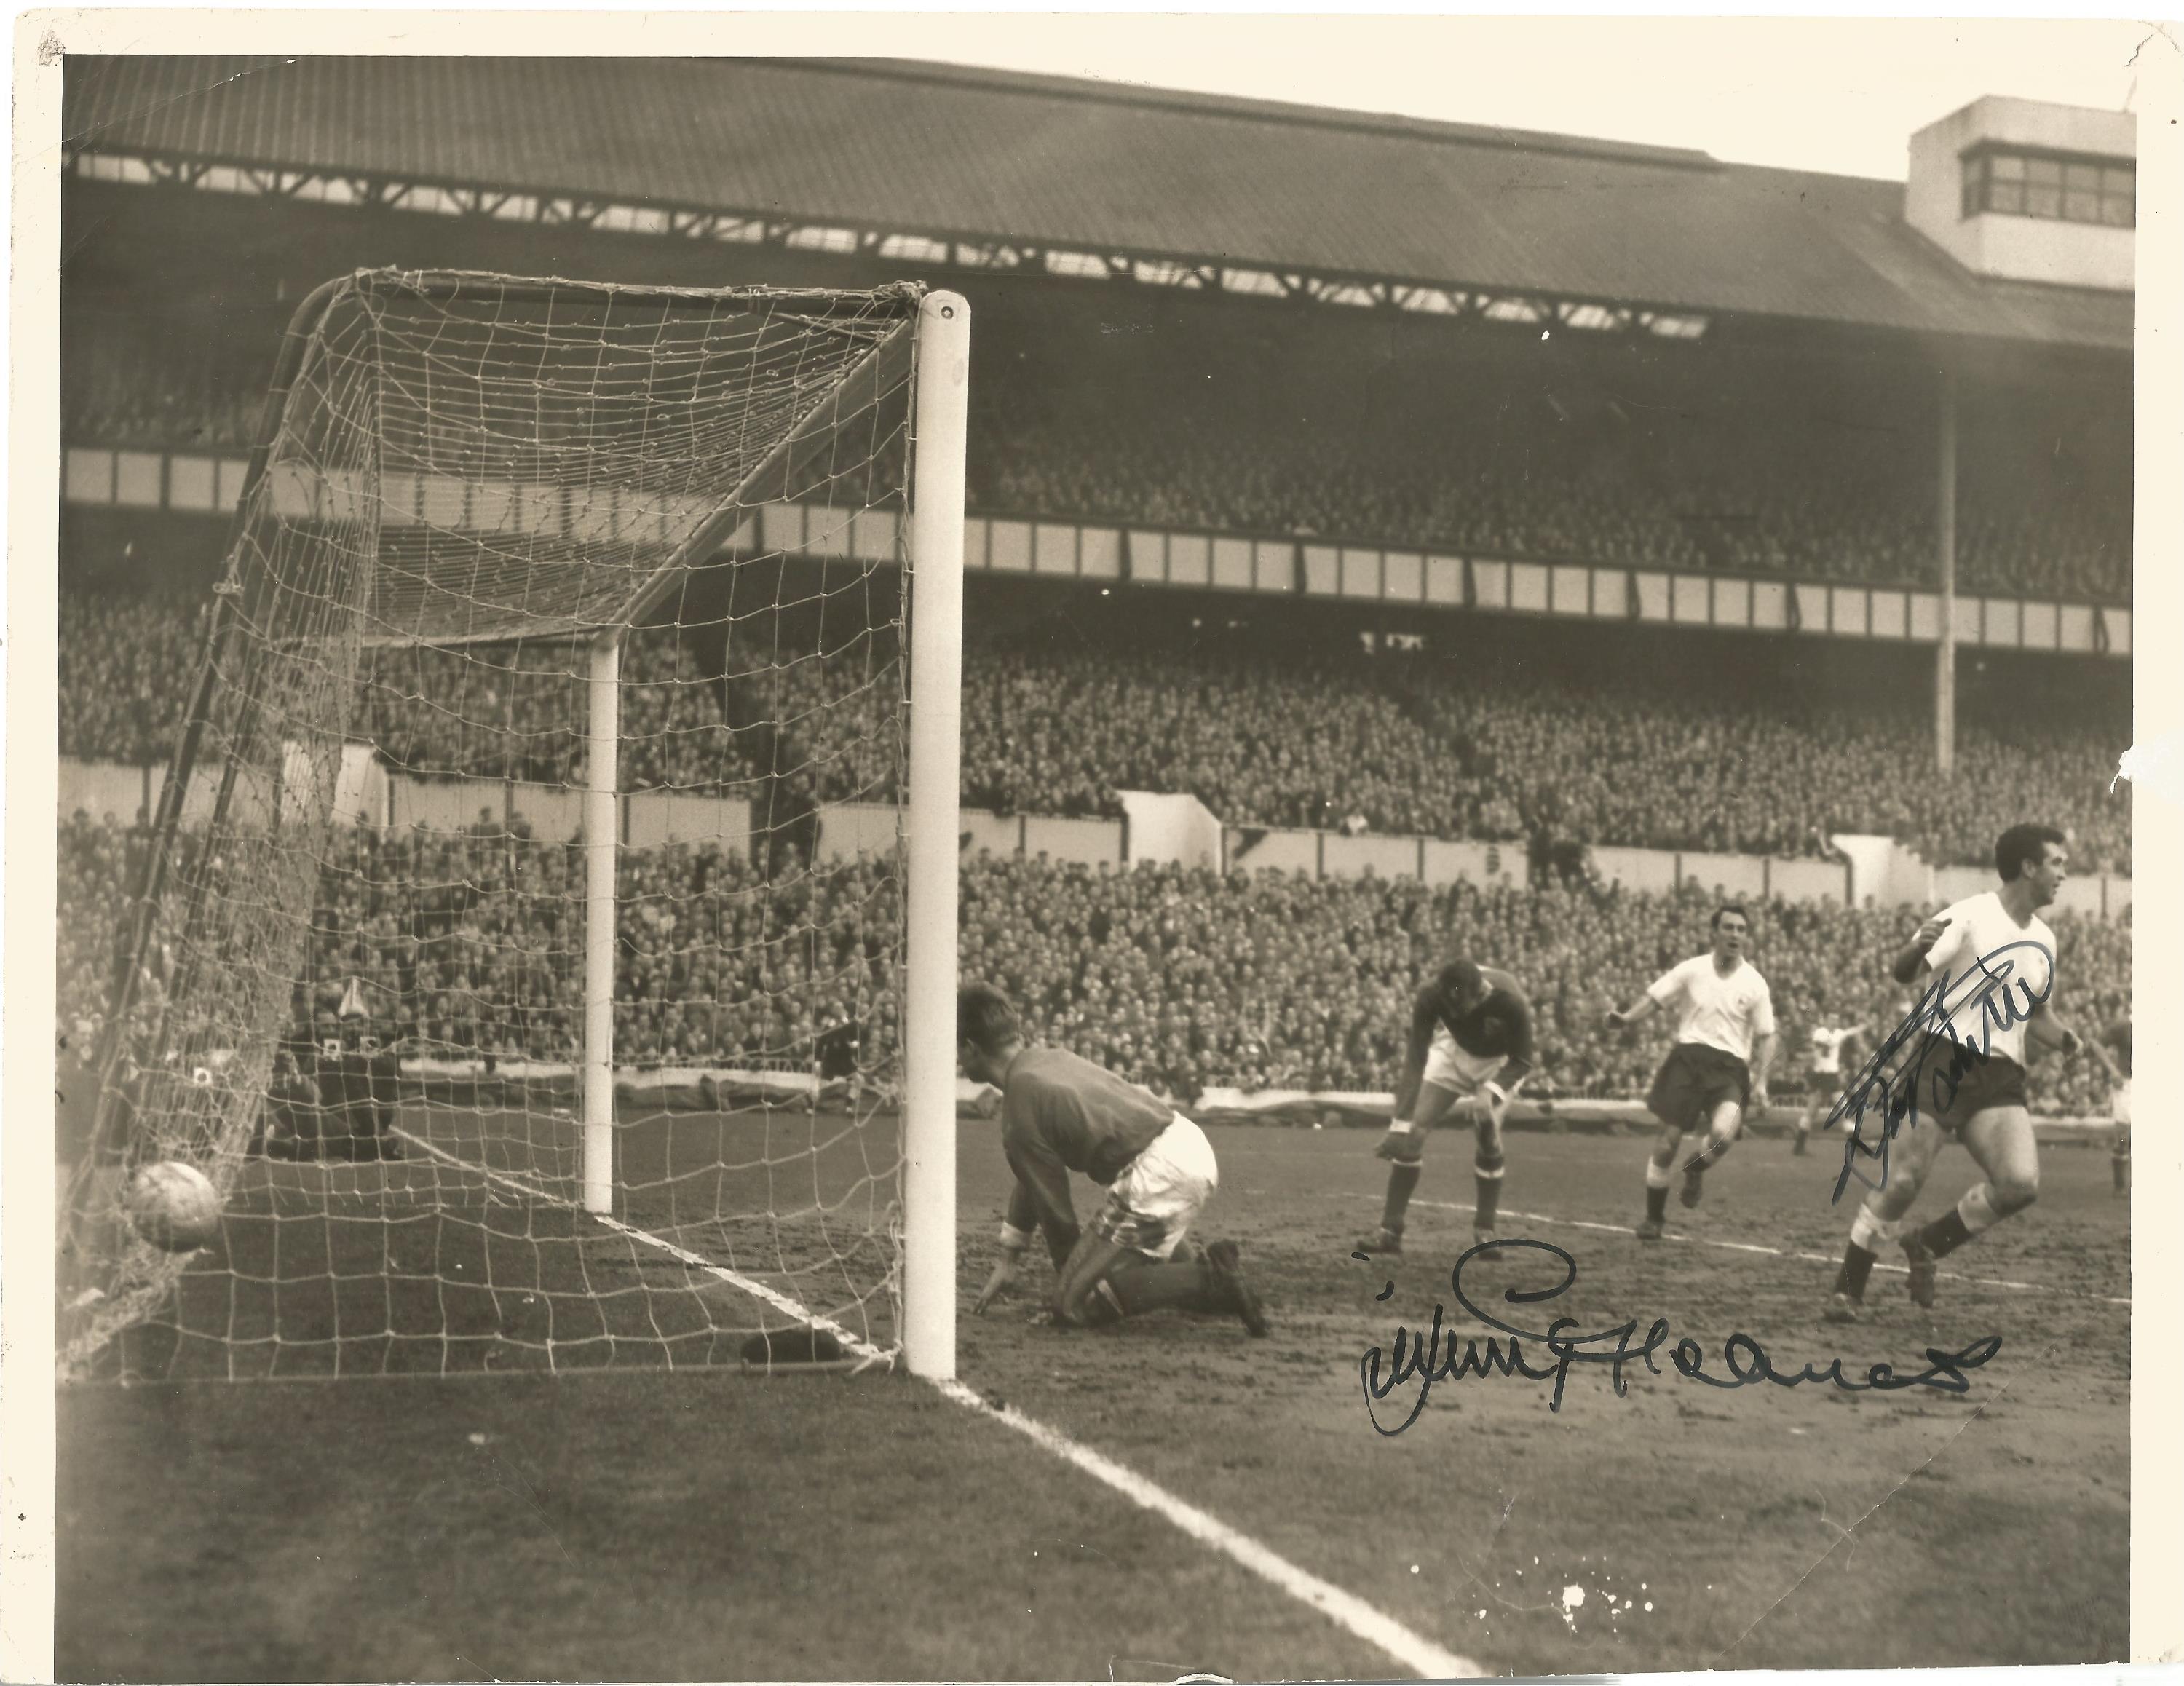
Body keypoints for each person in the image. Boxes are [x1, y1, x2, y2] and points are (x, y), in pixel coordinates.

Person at [1822, 824, 2113, 1322]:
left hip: (2001, 1073)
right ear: (2029, 867)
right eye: (2057, 863)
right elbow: (1903, 971)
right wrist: (1916, 948)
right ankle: (1848, 1288)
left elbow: (2038, 1015)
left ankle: (1929, 1244)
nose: (2064, 873)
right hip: (1944, 1056)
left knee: (2020, 1183)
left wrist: (2065, 1037)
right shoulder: (1969, 915)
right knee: (1905, 1180)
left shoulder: (2045, 939)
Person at [957, 982, 1267, 1337]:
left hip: (1158, 1172)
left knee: (1074, 1305)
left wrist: (1070, 1283)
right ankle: (1209, 1284)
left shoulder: (1018, 1108)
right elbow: (1033, 1175)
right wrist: (1009, 1257)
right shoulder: (1051, 1058)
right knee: (1127, 1266)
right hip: (1185, 1144)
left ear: (970, 1048)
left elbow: (1057, 1215)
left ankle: (1212, 1278)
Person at [1606, 904, 1776, 1240]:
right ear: (1714, 932)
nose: (1735, 935)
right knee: (1668, 1142)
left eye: (1741, 929)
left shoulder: (1755, 983)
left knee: (1723, 1136)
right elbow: (1655, 999)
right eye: (1729, 928)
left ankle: (1695, 1168)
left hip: (1730, 1068)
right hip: (1687, 1061)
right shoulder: (1692, 970)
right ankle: (1654, 1219)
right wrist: (1626, 1019)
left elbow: (1768, 1035)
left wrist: (1763, 1082)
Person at [1354, 957, 1536, 1259]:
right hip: (1454, 1051)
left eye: (1460, 1009)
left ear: (1481, 994)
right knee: (1413, 1131)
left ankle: (1485, 1230)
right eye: (1447, 1007)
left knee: (1486, 1130)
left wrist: (1488, 1093)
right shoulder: (1431, 994)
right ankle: (1390, 1230)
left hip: (1500, 1063)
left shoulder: (1510, 999)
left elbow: (1523, 1060)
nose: (1452, 1014)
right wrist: (1399, 1124)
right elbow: (1416, 1056)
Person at [1795, 1021, 1864, 1156]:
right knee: (1816, 1111)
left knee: (1837, 1110)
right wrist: (1834, 1041)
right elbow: (1821, 1043)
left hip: (1831, 1076)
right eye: (1831, 1018)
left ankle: (1799, 1146)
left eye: (1835, 1019)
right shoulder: (1820, 1032)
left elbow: (1849, 1032)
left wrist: (1861, 1027)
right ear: (1826, 1019)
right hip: (1821, 1075)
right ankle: (1857, 1148)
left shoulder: (1838, 1033)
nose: (1833, 1022)